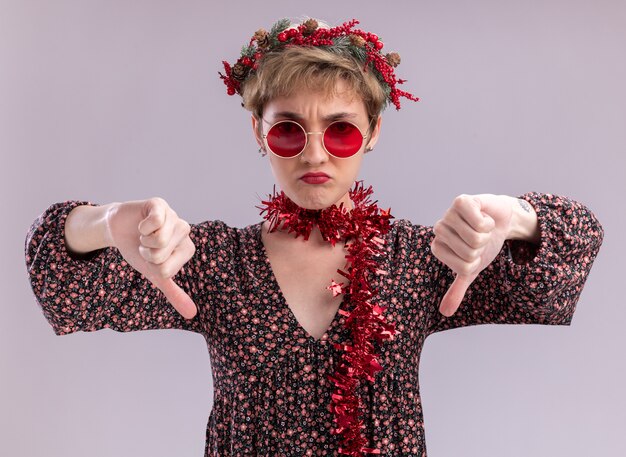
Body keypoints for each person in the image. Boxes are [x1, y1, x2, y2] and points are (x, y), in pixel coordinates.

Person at [24, 17, 604, 457]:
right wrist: (100, 224)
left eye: (342, 130)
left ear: (373, 132)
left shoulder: (426, 258)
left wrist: (517, 216)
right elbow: (59, 276)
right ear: (257, 131)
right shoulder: (207, 261)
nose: (315, 153)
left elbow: (572, 251)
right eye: (288, 131)